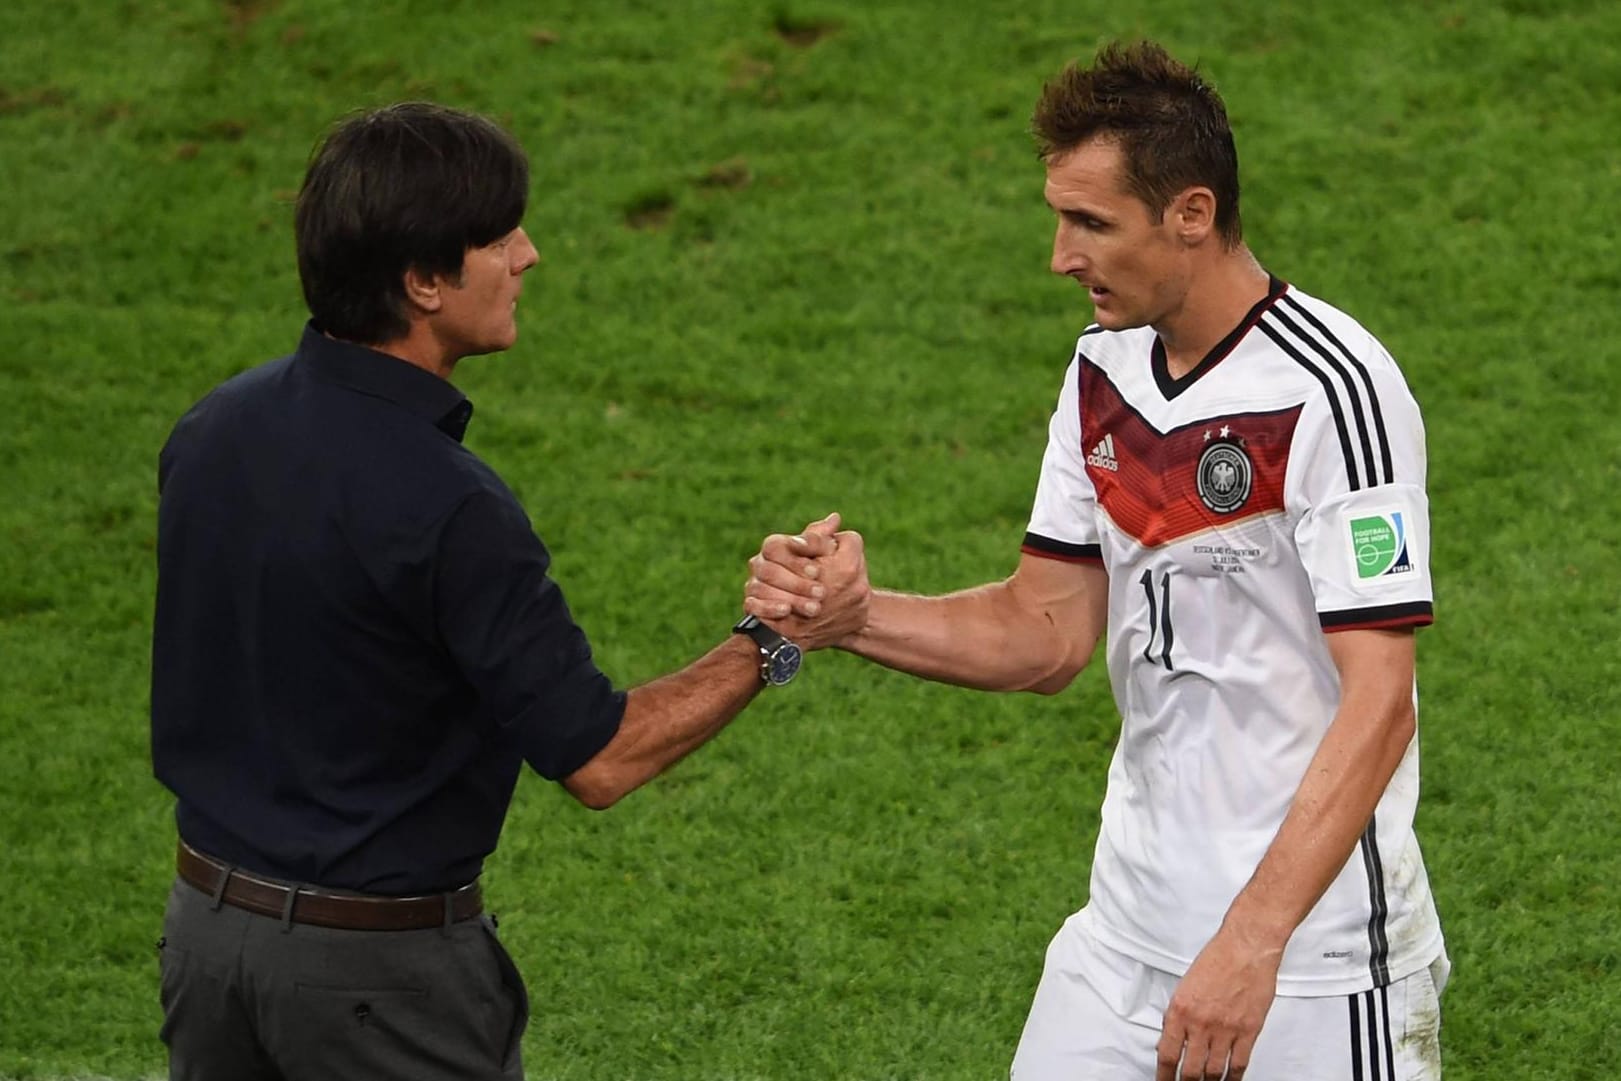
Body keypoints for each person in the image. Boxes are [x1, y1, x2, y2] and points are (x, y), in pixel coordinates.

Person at [749, 41, 1447, 1081]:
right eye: (1058, 217)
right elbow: (1046, 630)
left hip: (1308, 966)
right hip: (1122, 937)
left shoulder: (1333, 391)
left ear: (1191, 215)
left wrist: (1249, 943)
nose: (1060, 256)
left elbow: (1381, 700)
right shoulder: (1100, 372)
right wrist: (852, 617)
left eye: (1090, 223)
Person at [150, 101, 865, 1081]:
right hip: (376, 986)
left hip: (205, 943)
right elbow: (601, 759)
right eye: (498, 237)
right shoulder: (449, 507)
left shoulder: (211, 431)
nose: (526, 255)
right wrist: (771, 636)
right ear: (422, 281)